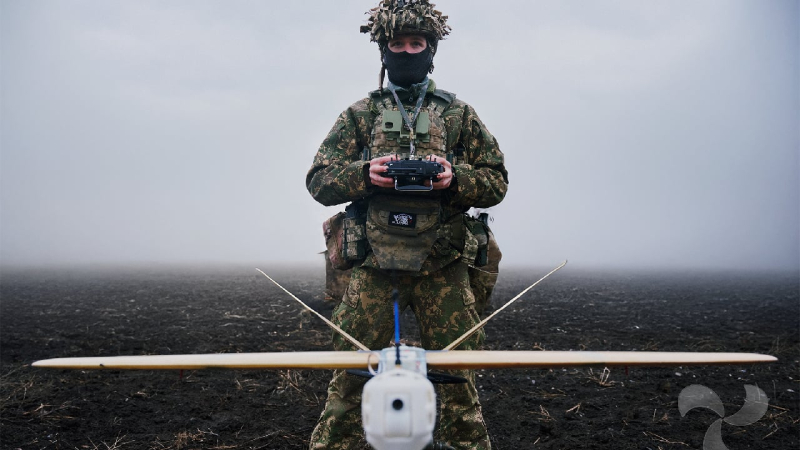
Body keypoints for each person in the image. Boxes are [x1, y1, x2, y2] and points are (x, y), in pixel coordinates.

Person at [306, 1, 508, 449]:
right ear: (383, 50)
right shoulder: (361, 114)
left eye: (417, 43)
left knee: (457, 384)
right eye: (397, 44)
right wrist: (364, 174)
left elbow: (496, 181)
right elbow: (319, 180)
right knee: (349, 380)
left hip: (443, 265)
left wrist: (455, 179)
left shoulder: (459, 115)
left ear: (431, 50)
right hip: (375, 266)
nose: (407, 51)